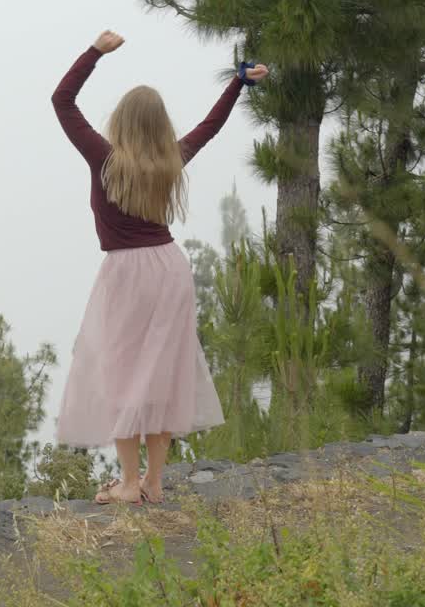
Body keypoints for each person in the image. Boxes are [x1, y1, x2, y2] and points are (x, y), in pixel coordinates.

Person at [51, 30, 269, 505]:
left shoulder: (104, 158)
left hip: (127, 274)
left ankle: (129, 485)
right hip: (170, 269)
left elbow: (62, 101)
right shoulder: (171, 160)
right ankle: (153, 481)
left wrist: (94, 52)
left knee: (122, 375)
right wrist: (238, 84)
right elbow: (210, 126)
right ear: (159, 125)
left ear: (122, 123)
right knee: (163, 374)